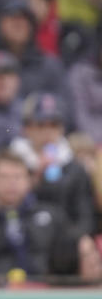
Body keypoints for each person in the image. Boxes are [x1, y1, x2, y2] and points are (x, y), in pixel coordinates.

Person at [0, 149, 74, 282]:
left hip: (43, 294)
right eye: (4, 177)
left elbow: (68, 264)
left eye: (17, 177)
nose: (11, 183)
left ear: (29, 181)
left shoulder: (52, 217)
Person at [9, 92, 96, 236]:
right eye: (41, 125)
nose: (47, 131)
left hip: (66, 240)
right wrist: (36, 177)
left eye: (54, 124)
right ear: (27, 128)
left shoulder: (75, 168)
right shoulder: (12, 163)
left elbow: (85, 217)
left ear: (62, 128)